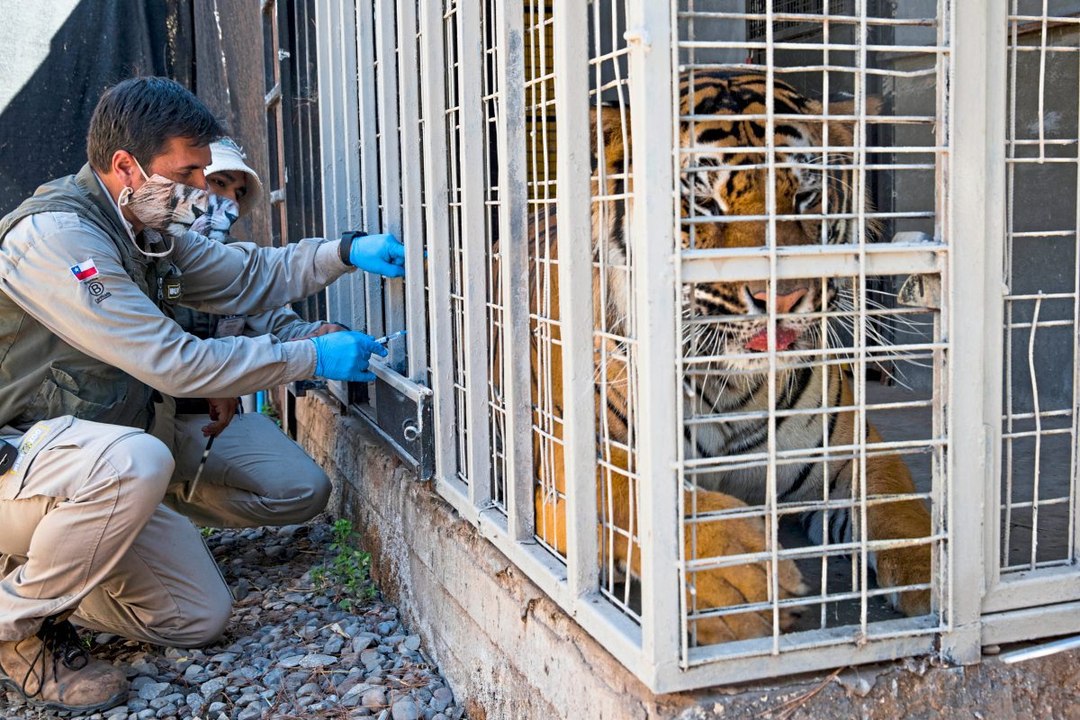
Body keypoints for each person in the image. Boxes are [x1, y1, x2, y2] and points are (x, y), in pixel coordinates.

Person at [0, 76, 406, 713]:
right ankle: (13, 630)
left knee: (197, 617)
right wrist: (311, 356)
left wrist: (346, 251)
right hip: (20, 465)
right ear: (126, 166)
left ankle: (48, 568)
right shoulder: (59, 240)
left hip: (82, 461)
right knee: (136, 461)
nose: (199, 191)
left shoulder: (141, 228)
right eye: (187, 173)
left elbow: (248, 276)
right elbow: (174, 364)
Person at [152, 137, 345, 528]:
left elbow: (275, 321)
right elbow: (139, 354)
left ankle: (173, 510)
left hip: (200, 424)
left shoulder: (231, 263)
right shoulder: (143, 253)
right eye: (219, 183)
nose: (231, 203)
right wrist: (213, 375)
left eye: (238, 193)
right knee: (130, 467)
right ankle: (143, 516)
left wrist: (319, 337)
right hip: (135, 421)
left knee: (304, 489)